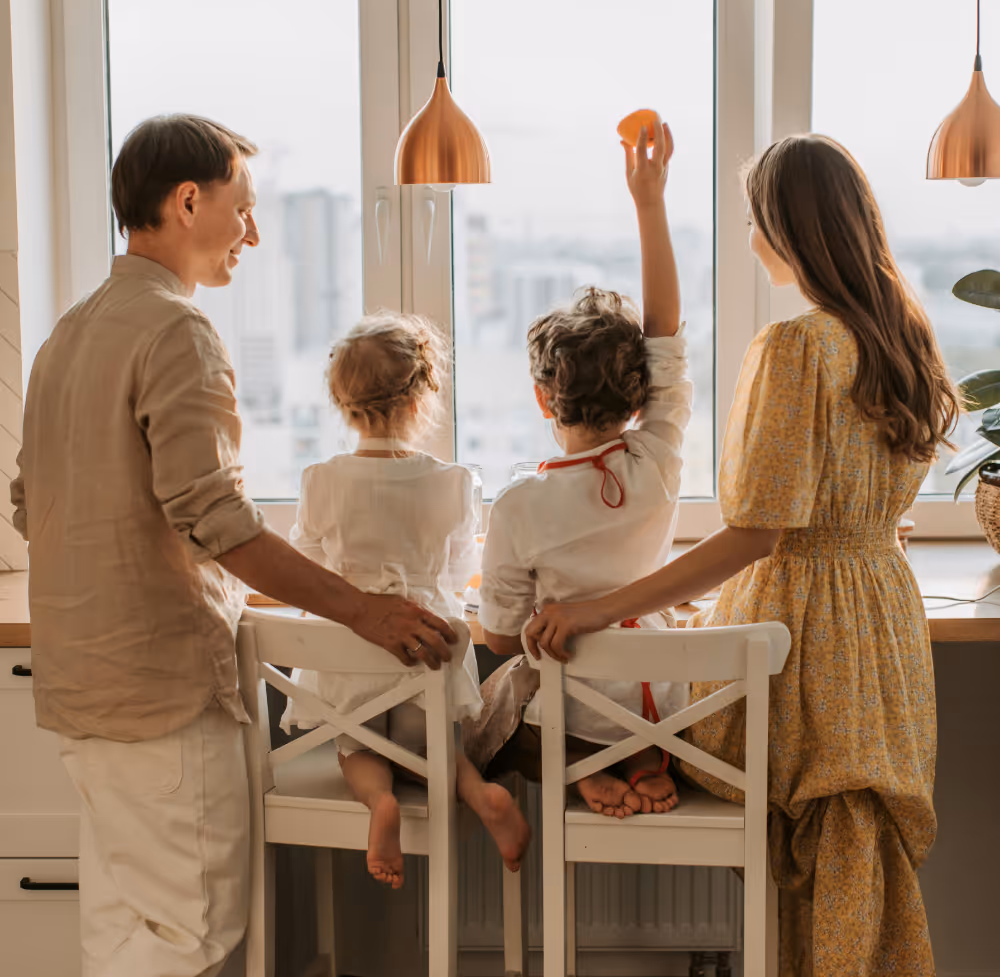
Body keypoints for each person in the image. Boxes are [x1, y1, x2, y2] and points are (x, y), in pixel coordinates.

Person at [10, 114, 456, 977]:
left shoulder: (68, 332)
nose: (252, 232)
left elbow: (35, 506)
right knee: (195, 938)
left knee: (121, 935)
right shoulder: (177, 332)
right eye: (242, 208)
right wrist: (364, 610)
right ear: (187, 202)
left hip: (81, 691)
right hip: (162, 694)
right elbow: (217, 519)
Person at [524, 134, 956, 976]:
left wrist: (595, 607)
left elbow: (758, 534)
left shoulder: (797, 347)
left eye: (755, 218)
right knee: (855, 855)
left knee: (790, 825)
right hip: (884, 620)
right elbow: (855, 496)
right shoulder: (902, 334)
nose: (751, 237)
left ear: (783, 231)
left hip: (811, 633)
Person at [466, 119, 692, 818]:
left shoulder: (519, 505)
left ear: (541, 396)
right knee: (627, 692)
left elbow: (502, 640)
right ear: (638, 396)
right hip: (662, 701)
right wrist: (649, 202)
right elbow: (667, 336)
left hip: (578, 710)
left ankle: (572, 768)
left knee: (494, 712)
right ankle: (650, 758)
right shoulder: (657, 459)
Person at [282, 311, 531, 888]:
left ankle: (379, 804)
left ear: (342, 405)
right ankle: (479, 792)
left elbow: (308, 564)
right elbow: (459, 570)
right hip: (428, 656)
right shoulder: (452, 481)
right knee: (440, 753)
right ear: (421, 402)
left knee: (356, 749)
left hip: (349, 665)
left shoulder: (322, 479)